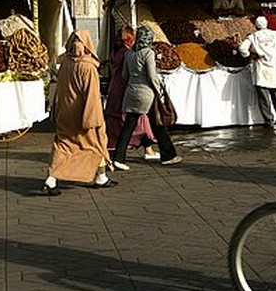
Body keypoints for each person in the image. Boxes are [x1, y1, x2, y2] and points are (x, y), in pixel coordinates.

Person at [42, 30, 117, 195]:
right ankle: (101, 176)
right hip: (84, 114)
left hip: (65, 113)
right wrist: (93, 119)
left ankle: (51, 178)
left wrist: (56, 111)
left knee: (63, 145)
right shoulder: (88, 68)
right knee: (96, 143)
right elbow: (92, 96)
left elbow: (59, 90)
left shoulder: (66, 64)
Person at [114, 25, 182, 168]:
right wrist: (160, 91)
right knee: (158, 125)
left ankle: (118, 158)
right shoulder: (148, 53)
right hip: (146, 94)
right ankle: (168, 155)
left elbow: (124, 75)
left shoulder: (129, 54)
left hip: (131, 93)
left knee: (128, 126)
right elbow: (152, 76)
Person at [105, 25, 158, 161]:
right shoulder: (130, 53)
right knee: (138, 120)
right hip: (127, 88)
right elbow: (129, 74)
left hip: (115, 87)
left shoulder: (115, 51)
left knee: (121, 119)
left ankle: (116, 149)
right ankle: (146, 148)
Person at [239, 15, 276, 126]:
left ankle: (269, 121)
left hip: (261, 71)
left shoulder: (253, 36)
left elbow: (242, 48)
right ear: (267, 24)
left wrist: (250, 55)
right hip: (274, 70)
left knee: (264, 99)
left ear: (256, 26)